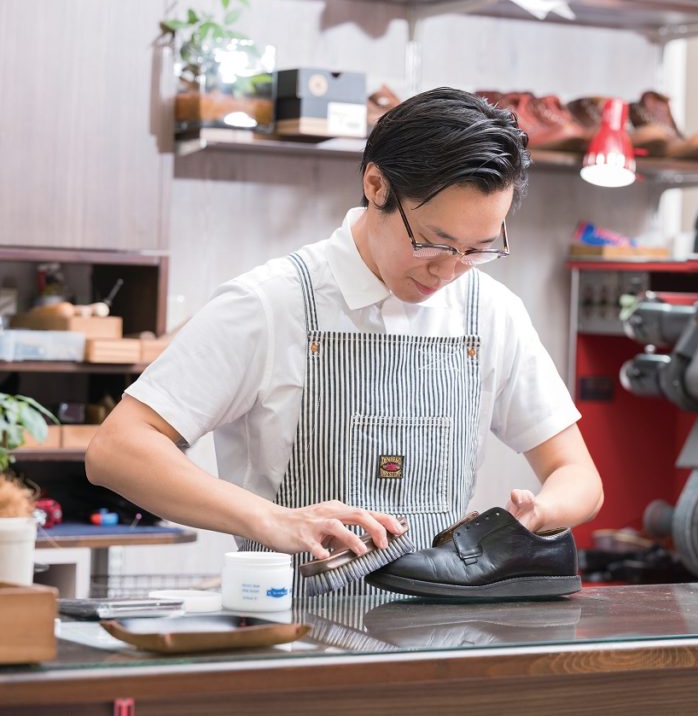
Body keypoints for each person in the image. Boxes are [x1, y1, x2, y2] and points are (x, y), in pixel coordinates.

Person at [86, 87, 604, 594]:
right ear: (377, 186)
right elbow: (119, 449)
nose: (450, 270)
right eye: (433, 243)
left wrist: (540, 513)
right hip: (293, 635)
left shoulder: (491, 312)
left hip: (443, 633)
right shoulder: (270, 303)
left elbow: (576, 473)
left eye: (478, 249)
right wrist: (272, 520)